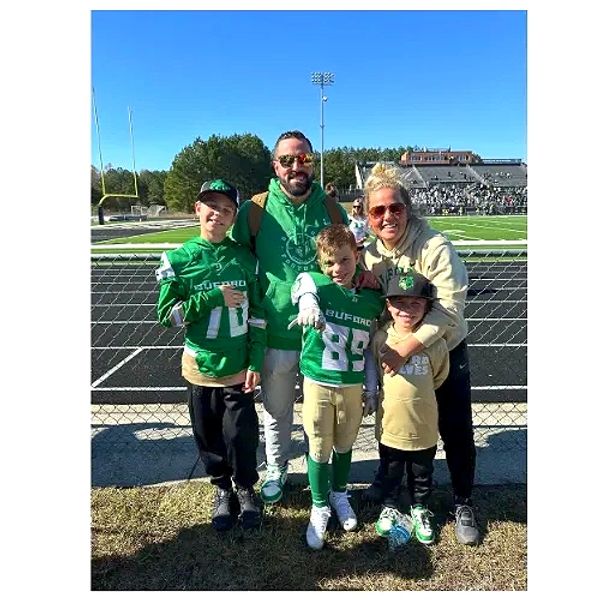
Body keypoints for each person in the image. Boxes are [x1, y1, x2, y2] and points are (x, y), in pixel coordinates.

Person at [361, 162, 480, 545]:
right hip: (394, 354)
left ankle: (462, 500)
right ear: (368, 216)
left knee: (455, 427)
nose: (387, 216)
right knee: (394, 421)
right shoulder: (368, 255)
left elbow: (449, 309)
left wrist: (405, 350)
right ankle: (390, 486)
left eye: (394, 207)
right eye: (378, 210)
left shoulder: (434, 246)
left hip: (443, 351)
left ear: (408, 208)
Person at [231, 131, 349, 505]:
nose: (296, 166)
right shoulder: (255, 210)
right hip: (275, 332)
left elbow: (348, 262)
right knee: (276, 411)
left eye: (304, 159)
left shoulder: (332, 210)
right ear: (275, 165)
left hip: (322, 334)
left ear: (312, 163)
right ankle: (276, 467)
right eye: (287, 160)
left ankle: (322, 473)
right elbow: (237, 260)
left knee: (321, 416)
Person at [156, 179, 266, 532]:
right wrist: (213, 297)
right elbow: (167, 316)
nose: (218, 214)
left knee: (241, 435)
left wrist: (255, 360)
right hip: (200, 367)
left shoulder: (245, 258)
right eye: (212, 206)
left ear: (234, 217)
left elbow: (258, 315)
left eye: (227, 209)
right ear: (197, 209)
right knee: (208, 436)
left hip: (237, 366)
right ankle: (222, 489)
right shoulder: (179, 259)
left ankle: (245, 487)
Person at [290, 224, 384, 550]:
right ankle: (319, 505)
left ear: (357, 255)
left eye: (344, 260)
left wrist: (371, 388)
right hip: (319, 381)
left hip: (352, 384)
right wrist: (308, 305)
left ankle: (339, 494)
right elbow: (303, 286)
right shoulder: (316, 284)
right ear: (320, 263)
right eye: (329, 262)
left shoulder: (371, 299)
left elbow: (370, 348)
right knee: (319, 444)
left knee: (345, 443)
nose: (337, 269)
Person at [366, 269, 449, 545]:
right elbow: (376, 373)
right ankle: (389, 505)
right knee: (390, 469)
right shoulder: (381, 339)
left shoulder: (434, 343)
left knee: (421, 472)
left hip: (423, 426)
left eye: (415, 303)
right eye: (399, 303)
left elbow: (439, 376)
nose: (407, 310)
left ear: (427, 307)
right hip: (391, 425)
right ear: (388, 306)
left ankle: (419, 507)